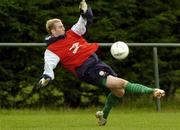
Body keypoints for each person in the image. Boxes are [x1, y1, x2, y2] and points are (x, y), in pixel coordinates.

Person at [38, 0, 165, 126]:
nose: (63, 28)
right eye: (60, 27)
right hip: (87, 71)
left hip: (97, 63)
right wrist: (46, 77)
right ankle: (153, 91)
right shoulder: (51, 50)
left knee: (119, 92)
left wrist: (84, 12)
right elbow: (49, 65)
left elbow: (82, 22)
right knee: (121, 83)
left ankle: (103, 115)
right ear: (53, 31)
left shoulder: (71, 34)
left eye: (62, 25)